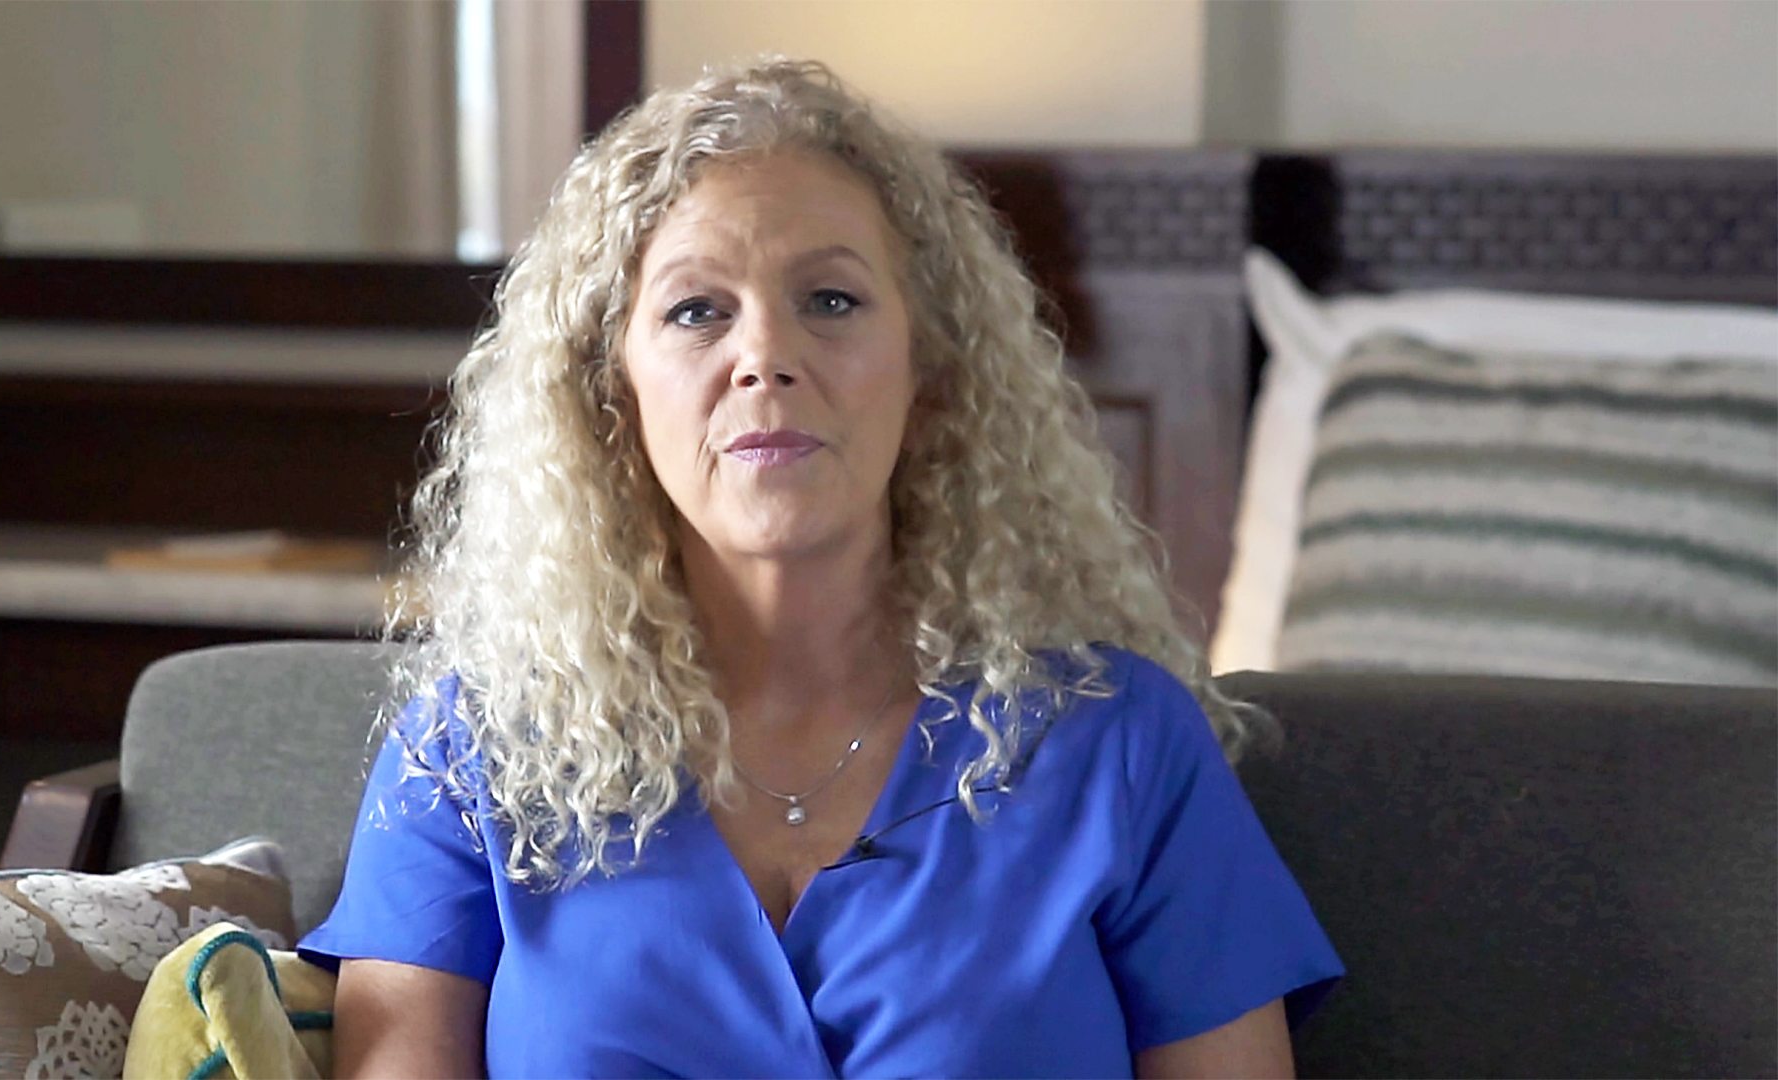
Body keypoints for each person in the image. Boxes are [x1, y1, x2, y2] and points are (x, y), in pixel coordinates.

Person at [299, 57, 1342, 1077]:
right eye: (696, 310)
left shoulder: (1120, 746)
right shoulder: (470, 758)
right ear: (609, 396)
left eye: (831, 301)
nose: (765, 355)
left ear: (931, 372)